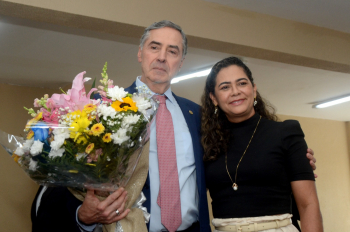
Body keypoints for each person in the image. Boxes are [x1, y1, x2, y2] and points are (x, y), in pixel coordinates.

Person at [31, 21, 316, 232]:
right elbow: (61, 180)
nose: (162, 57)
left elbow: (245, 147)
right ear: (140, 53)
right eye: (154, 47)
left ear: (181, 62)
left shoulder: (197, 115)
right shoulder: (100, 108)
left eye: (173, 51)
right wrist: (82, 213)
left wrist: (294, 160)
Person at [201, 57, 323, 232]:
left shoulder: (285, 132)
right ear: (213, 98)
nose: (235, 92)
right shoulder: (206, 142)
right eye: (225, 87)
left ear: (254, 89)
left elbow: (308, 205)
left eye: (242, 83)